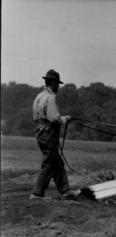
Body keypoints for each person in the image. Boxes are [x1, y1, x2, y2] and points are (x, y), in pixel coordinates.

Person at [30, 69, 80, 200]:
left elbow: (40, 116)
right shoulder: (50, 97)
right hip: (48, 133)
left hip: (40, 132)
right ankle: (37, 193)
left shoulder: (39, 96)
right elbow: (53, 117)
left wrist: (60, 118)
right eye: (57, 83)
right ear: (52, 83)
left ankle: (66, 190)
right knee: (50, 163)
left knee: (57, 162)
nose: (58, 86)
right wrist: (64, 119)